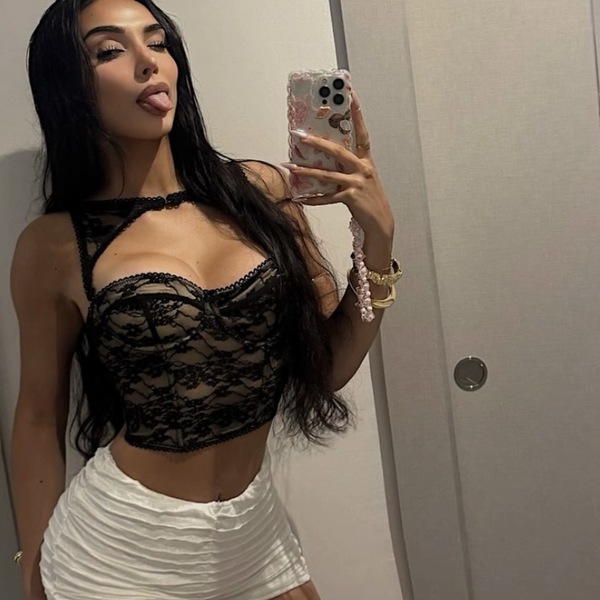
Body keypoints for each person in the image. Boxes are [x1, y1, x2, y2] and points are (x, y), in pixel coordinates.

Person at [8, 0, 398, 598]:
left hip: (253, 535)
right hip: (119, 554)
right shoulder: (55, 245)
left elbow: (327, 368)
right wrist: (31, 561)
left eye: (157, 42)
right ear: (69, 88)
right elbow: (38, 415)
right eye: (110, 50)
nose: (148, 62)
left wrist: (377, 241)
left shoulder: (261, 192)